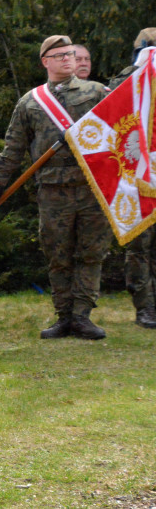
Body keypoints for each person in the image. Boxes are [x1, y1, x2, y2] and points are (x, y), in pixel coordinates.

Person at [0, 35, 111, 339]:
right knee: (58, 254)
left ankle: (82, 316)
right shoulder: (30, 102)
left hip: (93, 189)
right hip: (53, 191)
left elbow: (121, 126)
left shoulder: (97, 92)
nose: (68, 59)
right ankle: (64, 316)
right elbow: (14, 147)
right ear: (46, 61)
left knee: (91, 253)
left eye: (71, 54)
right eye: (60, 55)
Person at [109, 28, 156, 329]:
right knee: (140, 246)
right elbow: (111, 113)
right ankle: (145, 307)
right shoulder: (125, 80)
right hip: (136, 172)